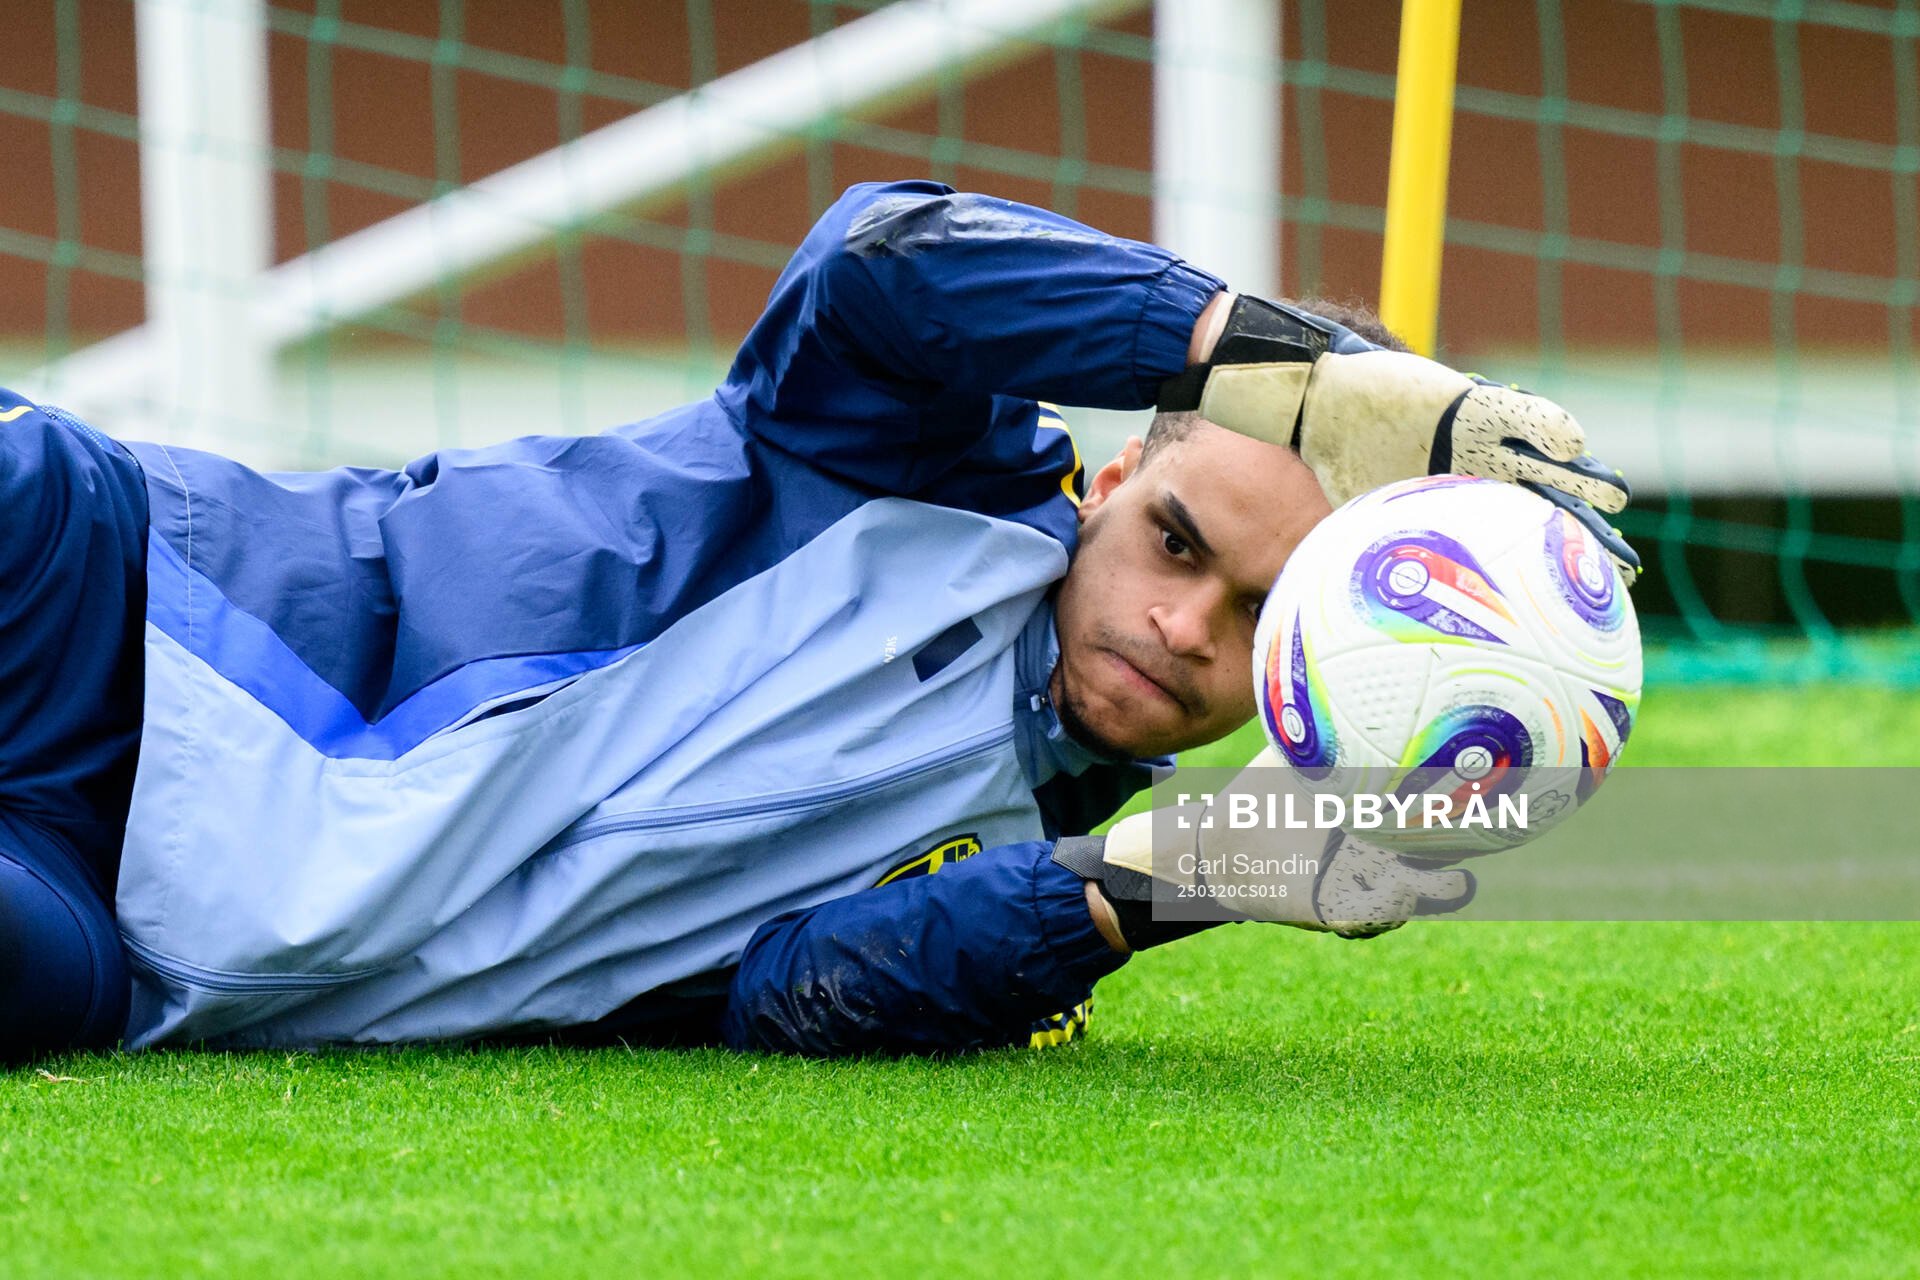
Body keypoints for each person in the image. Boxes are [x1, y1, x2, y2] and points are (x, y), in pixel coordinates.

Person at [0, 180, 1633, 1061]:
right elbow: (881, 260)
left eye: (1262, 617)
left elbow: (801, 992)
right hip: (110, 594)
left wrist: (1204, 870)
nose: (1186, 622)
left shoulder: (1042, 863)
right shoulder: (899, 455)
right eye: (1177, 540)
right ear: (1121, 467)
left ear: (1308, 675)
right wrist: (1317, 379)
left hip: (119, 941)